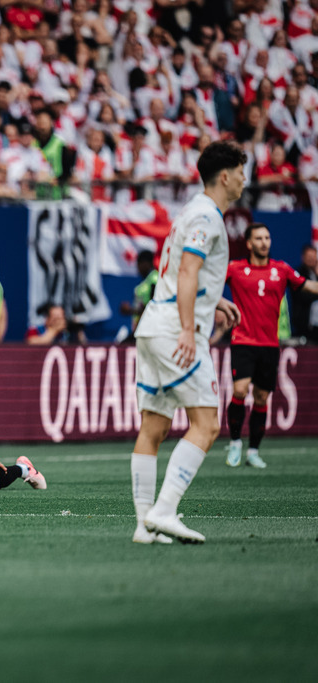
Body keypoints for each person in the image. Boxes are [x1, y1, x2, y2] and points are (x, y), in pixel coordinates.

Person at [129, 140, 247, 545]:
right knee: (207, 424)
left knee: (154, 427)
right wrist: (186, 327)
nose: (246, 181)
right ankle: (165, 510)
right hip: (173, 331)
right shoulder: (207, 216)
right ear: (227, 175)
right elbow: (188, 272)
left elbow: (185, 270)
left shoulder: (191, 212)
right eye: (242, 172)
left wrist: (216, 301)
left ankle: (145, 526)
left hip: (151, 326)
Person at [223, 223, 318, 468]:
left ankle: (253, 451)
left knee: (262, 398)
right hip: (243, 341)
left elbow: (309, 287)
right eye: (259, 238)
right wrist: (221, 306)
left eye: (267, 237)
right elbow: (207, 287)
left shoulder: (282, 270)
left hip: (269, 344)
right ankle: (235, 442)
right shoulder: (234, 269)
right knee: (240, 391)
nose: (264, 242)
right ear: (249, 243)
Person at [119, 250, 159, 333]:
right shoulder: (145, 282)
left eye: (138, 264)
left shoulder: (155, 279)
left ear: (145, 263)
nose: (137, 268)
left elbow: (154, 306)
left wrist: (130, 310)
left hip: (150, 330)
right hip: (141, 329)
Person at [290, 244, 318, 343]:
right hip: (305, 327)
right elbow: (303, 296)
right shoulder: (298, 274)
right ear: (303, 257)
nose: (311, 259)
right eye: (308, 257)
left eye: (313, 256)